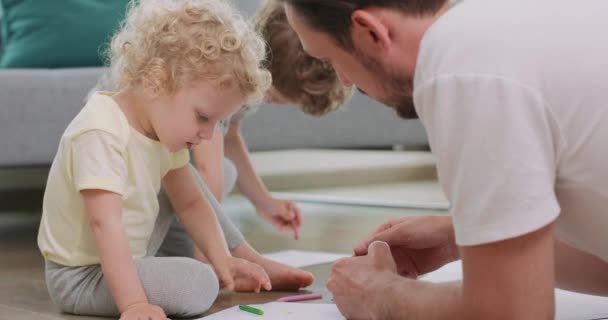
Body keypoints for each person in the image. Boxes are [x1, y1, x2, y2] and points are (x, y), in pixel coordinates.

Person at [282, 0, 608, 318]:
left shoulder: (462, 64)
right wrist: (469, 239)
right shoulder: (531, 21)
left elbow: (512, 311)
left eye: (329, 58)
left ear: (371, 32)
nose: (345, 81)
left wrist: (377, 294)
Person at [92, 0, 351, 293]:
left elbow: (229, 138)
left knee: (218, 171)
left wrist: (264, 202)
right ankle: (231, 257)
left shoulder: (227, 90)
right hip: (129, 179)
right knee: (211, 175)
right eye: (272, 97)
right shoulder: (214, 80)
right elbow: (206, 170)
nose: (263, 102)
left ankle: (212, 254)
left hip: (158, 179)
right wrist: (214, 259)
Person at [38, 1, 274, 319]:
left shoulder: (161, 132)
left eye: (217, 123)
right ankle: (150, 282)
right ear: (156, 78)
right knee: (197, 285)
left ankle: (211, 260)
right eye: (203, 117)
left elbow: (191, 202)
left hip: (131, 258)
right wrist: (134, 304)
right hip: (82, 277)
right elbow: (105, 224)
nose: (207, 135)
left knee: (191, 191)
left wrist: (222, 259)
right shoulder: (101, 131)